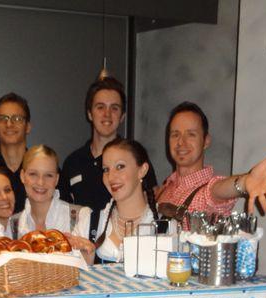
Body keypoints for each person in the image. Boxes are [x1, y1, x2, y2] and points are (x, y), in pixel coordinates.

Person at [156, 101, 266, 224]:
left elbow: (217, 191)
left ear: (206, 141)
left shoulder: (207, 192)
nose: (180, 142)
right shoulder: (165, 188)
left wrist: (244, 182)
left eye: (191, 134)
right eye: (175, 134)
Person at [60, 77, 157, 240]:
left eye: (114, 108)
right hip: (82, 242)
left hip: (127, 240)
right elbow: (64, 210)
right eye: (100, 107)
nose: (107, 114)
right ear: (89, 113)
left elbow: (151, 202)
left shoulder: (135, 158)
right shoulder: (73, 162)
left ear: (122, 116)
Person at [17, 144, 95, 263]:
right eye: (33, 174)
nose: (41, 182)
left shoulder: (80, 216)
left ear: (57, 179)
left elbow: (85, 268)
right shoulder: (13, 225)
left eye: (48, 175)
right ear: (22, 176)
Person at [94, 138, 163, 263]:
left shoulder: (166, 226)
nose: (111, 177)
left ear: (142, 170)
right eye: (106, 170)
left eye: (120, 167)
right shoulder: (91, 222)